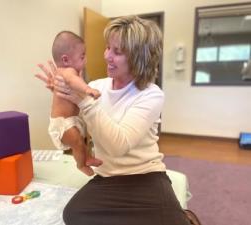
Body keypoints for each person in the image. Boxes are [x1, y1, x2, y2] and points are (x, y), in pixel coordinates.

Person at [37, 17, 191, 225]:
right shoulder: (96, 87)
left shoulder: (151, 95)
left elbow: (118, 146)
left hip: (145, 175)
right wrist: (60, 101)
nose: (107, 56)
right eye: (108, 48)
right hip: (108, 177)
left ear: (138, 58)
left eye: (117, 52)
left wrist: (83, 101)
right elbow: (66, 140)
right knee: (73, 214)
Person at [36, 31, 102, 176]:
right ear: (66, 60)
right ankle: (81, 165)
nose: (85, 61)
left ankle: (88, 158)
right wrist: (87, 89)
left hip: (70, 120)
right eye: (82, 56)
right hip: (62, 123)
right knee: (78, 143)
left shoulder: (66, 73)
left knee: (81, 142)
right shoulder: (67, 71)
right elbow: (73, 81)